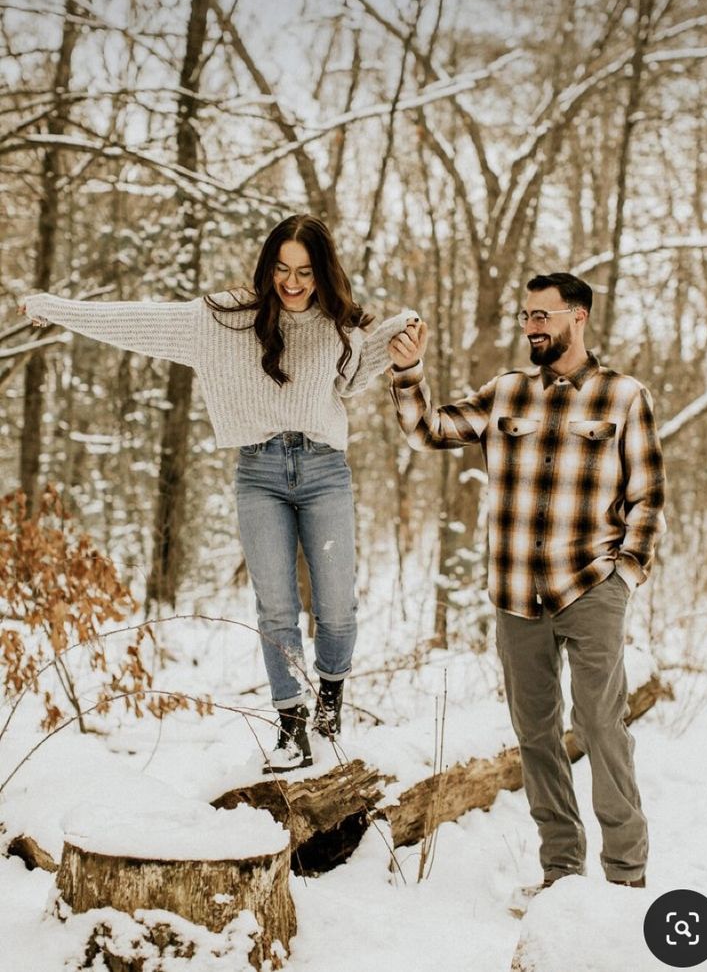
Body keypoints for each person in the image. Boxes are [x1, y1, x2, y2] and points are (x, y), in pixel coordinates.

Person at [22, 213, 418, 773]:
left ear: (323, 273)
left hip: (325, 470)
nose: (293, 282)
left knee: (336, 606)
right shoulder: (223, 321)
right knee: (276, 605)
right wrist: (56, 308)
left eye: (305, 271)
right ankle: (291, 729)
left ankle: (331, 704)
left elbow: (355, 374)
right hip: (258, 473)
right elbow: (137, 321)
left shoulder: (338, 327)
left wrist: (405, 334)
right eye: (281, 268)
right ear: (267, 268)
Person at [388, 272, 665, 888]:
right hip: (517, 595)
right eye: (526, 316)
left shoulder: (624, 396)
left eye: (543, 315)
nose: (532, 326)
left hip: (592, 584)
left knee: (600, 725)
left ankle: (625, 876)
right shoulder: (505, 392)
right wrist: (409, 373)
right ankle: (561, 871)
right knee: (537, 735)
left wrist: (627, 574)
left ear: (579, 318)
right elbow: (428, 429)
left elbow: (647, 496)